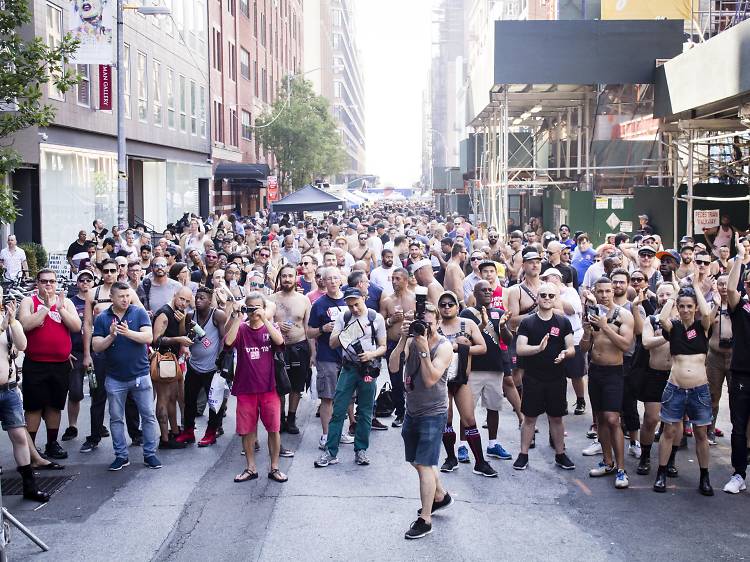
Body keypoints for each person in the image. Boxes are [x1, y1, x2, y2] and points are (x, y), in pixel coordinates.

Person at [389, 301, 454, 540]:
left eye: (427, 321)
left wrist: (424, 348)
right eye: (419, 322)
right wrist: (402, 340)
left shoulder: (444, 347)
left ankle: (425, 519)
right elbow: (394, 367)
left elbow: (430, 379)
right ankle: (440, 495)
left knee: (425, 465)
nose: (423, 326)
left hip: (433, 412)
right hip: (412, 410)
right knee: (415, 460)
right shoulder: (410, 340)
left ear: (437, 321)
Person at [92, 282, 161, 471]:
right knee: (116, 418)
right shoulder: (102, 318)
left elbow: (148, 338)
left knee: (147, 416)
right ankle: (121, 456)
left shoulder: (138, 312)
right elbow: (96, 346)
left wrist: (127, 332)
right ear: (112, 298)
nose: (125, 299)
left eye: (127, 295)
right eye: (121, 296)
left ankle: (150, 454)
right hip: (114, 378)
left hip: (140, 375)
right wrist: (112, 336)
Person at [315, 287, 387, 468]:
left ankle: (360, 450)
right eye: (350, 305)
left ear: (364, 298)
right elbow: (332, 343)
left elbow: (383, 346)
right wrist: (348, 331)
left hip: (368, 369)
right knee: (338, 409)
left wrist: (371, 355)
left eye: (357, 304)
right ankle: (331, 452)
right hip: (348, 368)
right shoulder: (344, 317)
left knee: (365, 411)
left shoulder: (375, 318)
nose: (354, 309)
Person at [654, 279, 714, 495]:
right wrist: (675, 294)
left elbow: (707, 314)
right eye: (682, 306)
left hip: (699, 390)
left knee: (700, 434)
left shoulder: (702, 327)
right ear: (678, 308)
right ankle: (661, 473)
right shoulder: (675, 328)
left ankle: (704, 477)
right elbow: (662, 317)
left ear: (695, 307)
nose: (686, 310)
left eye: (690, 306)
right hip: (675, 388)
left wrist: (696, 286)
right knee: (668, 431)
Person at [225, 291, 288, 483]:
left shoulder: (270, 327)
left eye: (256, 307)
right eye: (249, 307)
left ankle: (274, 467)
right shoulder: (242, 329)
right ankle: (251, 467)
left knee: (273, 429)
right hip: (246, 388)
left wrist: (265, 318)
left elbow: (280, 341)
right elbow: (228, 343)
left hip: (269, 388)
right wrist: (238, 316)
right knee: (247, 429)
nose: (253, 312)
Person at [18, 269, 82, 459]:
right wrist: (46, 308)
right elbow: (25, 325)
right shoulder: (29, 302)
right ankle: (31, 448)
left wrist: (60, 309)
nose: (48, 285)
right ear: (37, 283)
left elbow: (76, 327)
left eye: (52, 282)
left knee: (55, 405)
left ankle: (52, 443)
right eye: (44, 281)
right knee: (34, 407)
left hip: (60, 364)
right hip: (36, 364)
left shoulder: (66, 302)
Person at [514, 282, 576, 471]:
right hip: (533, 377)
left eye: (551, 295)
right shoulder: (527, 322)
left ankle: (560, 454)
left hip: (556, 378)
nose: (547, 298)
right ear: (538, 298)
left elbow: (571, 347)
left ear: (556, 298)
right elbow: (520, 349)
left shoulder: (563, 322)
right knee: (530, 418)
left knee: (556, 418)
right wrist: (538, 348)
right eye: (543, 295)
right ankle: (523, 454)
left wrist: (565, 354)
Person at [580, 277, 634, 489]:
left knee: (613, 419)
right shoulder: (593, 314)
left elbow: (625, 345)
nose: (604, 295)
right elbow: (585, 348)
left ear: (614, 292)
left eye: (607, 291)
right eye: (600, 291)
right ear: (595, 292)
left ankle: (621, 469)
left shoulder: (624, 315)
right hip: (595, 371)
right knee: (601, 418)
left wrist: (606, 327)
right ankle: (608, 461)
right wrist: (586, 332)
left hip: (614, 371)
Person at [434, 290, 495, 475]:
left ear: (457, 306)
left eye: (450, 304)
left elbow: (482, 347)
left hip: (461, 378)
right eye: (442, 304)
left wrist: (459, 347)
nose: (446, 307)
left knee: (469, 419)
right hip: (441, 379)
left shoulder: (467, 324)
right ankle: (451, 458)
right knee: (447, 420)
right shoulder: (435, 326)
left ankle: (480, 462)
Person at [0, 296, 50, 501]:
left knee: (20, 436)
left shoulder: (8, 320)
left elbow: (22, 345)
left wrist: (12, 322)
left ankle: (29, 487)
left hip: (9, 389)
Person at [461, 281, 514, 462]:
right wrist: (483, 325)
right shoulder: (467, 314)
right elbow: (465, 340)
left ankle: (492, 444)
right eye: (483, 290)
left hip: (495, 367)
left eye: (490, 290)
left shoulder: (499, 313)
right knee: (467, 409)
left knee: (493, 407)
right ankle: (462, 446)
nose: (488, 293)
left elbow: (507, 340)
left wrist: (504, 326)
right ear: (475, 294)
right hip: (473, 368)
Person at [175, 286, 227, 446]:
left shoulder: (217, 315)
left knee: (214, 402)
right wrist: (187, 334)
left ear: (210, 300)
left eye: (202, 298)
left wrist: (220, 361)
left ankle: (211, 432)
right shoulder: (190, 315)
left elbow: (223, 339)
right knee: (189, 401)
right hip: (194, 366)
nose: (198, 301)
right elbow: (187, 336)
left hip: (212, 368)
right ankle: (188, 432)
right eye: (196, 298)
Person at [307, 267, 351, 449]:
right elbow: (309, 332)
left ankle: (339, 432)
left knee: (345, 397)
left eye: (335, 278)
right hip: (327, 356)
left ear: (341, 280)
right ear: (323, 282)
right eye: (328, 279)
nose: (332, 282)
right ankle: (326, 435)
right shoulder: (319, 304)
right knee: (327, 397)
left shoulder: (350, 301)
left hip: (349, 356)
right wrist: (322, 329)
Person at [636, 282, 677, 476]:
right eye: (662, 294)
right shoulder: (652, 320)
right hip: (655, 375)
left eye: (669, 294)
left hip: (676, 376)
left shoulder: (682, 320)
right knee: (651, 419)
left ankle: (671, 460)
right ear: (657, 297)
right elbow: (646, 342)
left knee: (675, 422)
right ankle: (645, 456)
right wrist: (668, 337)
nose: (665, 298)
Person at [270, 264, 312, 435]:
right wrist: (277, 325)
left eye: (290, 276)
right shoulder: (271, 299)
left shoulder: (304, 300)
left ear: (296, 278)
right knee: (279, 385)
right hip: (278, 348)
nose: (287, 279)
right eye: (284, 276)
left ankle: (291, 419)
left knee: (297, 385)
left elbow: (308, 328)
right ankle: (279, 419)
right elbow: (263, 324)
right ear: (280, 278)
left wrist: (312, 354)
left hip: (299, 346)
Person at [151, 286, 194, 449]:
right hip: (162, 360)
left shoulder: (178, 313)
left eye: (187, 301)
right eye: (181, 299)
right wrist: (178, 339)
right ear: (175, 295)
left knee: (173, 397)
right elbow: (156, 340)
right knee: (163, 397)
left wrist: (182, 323)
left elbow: (180, 333)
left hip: (172, 359)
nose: (184, 304)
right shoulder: (164, 313)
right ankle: (164, 438)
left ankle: (174, 432)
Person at [724, 237, 750, 493]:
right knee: (739, 427)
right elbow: (731, 290)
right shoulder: (742, 307)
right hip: (742, 374)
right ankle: (739, 474)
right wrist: (740, 256)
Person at [380, 267, 416, 426]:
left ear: (406, 280)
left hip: (412, 343)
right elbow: (379, 324)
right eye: (392, 278)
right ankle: (400, 412)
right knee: (395, 379)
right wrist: (391, 320)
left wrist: (413, 318)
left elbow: (429, 319)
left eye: (397, 278)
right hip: (393, 344)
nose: (394, 282)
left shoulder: (416, 298)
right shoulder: (387, 301)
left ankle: (413, 412)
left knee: (413, 378)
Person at [62, 269, 94, 441]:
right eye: (82, 280)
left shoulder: (98, 301)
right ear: (77, 283)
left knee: (98, 391)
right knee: (74, 392)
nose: (85, 282)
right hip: (75, 352)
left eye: (89, 279)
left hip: (96, 351)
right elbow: (62, 329)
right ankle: (72, 426)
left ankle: (98, 425)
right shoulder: (70, 303)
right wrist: (65, 350)